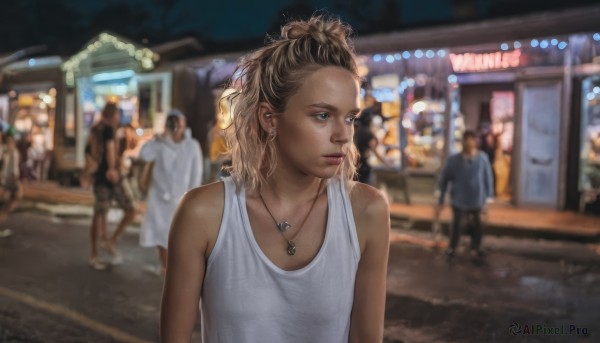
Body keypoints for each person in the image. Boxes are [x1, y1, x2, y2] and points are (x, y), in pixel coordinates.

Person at [160, 16, 390, 342]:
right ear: (270, 118)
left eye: (350, 118)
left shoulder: (367, 212)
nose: (342, 135)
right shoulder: (203, 214)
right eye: (322, 115)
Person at [138, 110, 203, 275]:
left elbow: (197, 174)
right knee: (160, 234)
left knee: (179, 237)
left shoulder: (192, 146)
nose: (177, 128)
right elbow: (144, 155)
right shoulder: (161, 143)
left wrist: (192, 199)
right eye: (173, 124)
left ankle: (174, 269)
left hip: (181, 199)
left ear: (185, 125)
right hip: (159, 199)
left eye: (179, 125)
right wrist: (158, 138)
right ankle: (165, 267)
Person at [88, 103, 136, 270]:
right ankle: (103, 246)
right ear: (113, 115)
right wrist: (111, 168)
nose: (119, 117)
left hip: (100, 178)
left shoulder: (96, 129)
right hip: (109, 176)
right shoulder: (107, 129)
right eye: (117, 114)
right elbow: (109, 150)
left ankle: (102, 246)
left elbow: (91, 152)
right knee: (127, 210)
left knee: (100, 214)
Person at [435, 130, 494, 260]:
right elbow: (444, 179)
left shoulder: (482, 158)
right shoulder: (454, 161)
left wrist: (488, 197)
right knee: (457, 225)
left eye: (471, 139)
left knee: (478, 225)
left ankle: (476, 246)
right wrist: (441, 198)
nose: (469, 142)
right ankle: (452, 247)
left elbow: (487, 177)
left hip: (477, 198)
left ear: (475, 141)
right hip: (459, 199)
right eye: (466, 139)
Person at [354, 110, 392, 184]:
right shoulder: (368, 133)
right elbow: (374, 150)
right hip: (364, 166)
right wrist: (385, 163)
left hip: (357, 164)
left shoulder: (358, 131)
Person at [0, 131, 22, 238]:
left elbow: (14, 166)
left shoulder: (12, 151)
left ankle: (4, 215)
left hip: (10, 180)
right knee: (6, 200)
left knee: (14, 198)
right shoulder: (6, 151)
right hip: (6, 180)